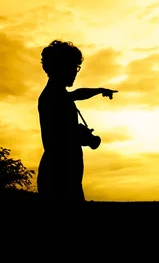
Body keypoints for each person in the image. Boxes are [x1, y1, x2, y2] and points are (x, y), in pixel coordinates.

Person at [36, 40, 117, 203]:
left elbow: (78, 94)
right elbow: (54, 142)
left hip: (62, 176)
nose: (76, 71)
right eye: (74, 67)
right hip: (59, 179)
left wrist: (100, 90)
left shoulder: (57, 94)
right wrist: (81, 137)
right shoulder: (53, 97)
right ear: (61, 68)